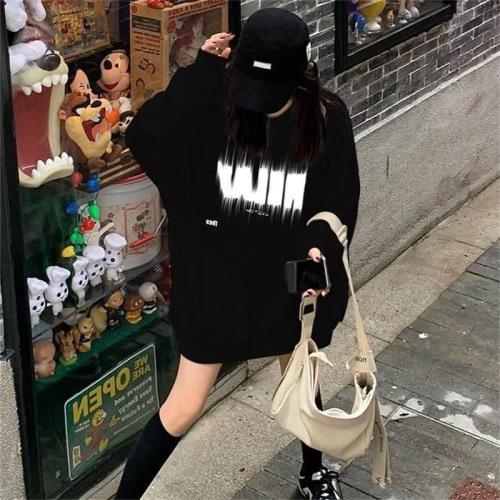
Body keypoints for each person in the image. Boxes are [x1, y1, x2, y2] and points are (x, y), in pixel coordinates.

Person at [116, 7, 360, 500]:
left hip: (290, 279)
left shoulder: (325, 117)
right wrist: (200, 72)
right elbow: (145, 136)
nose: (259, 104)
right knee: (184, 406)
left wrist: (322, 244)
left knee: (301, 374)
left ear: (299, 75)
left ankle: (312, 473)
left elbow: (340, 198)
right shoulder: (214, 103)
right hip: (218, 282)